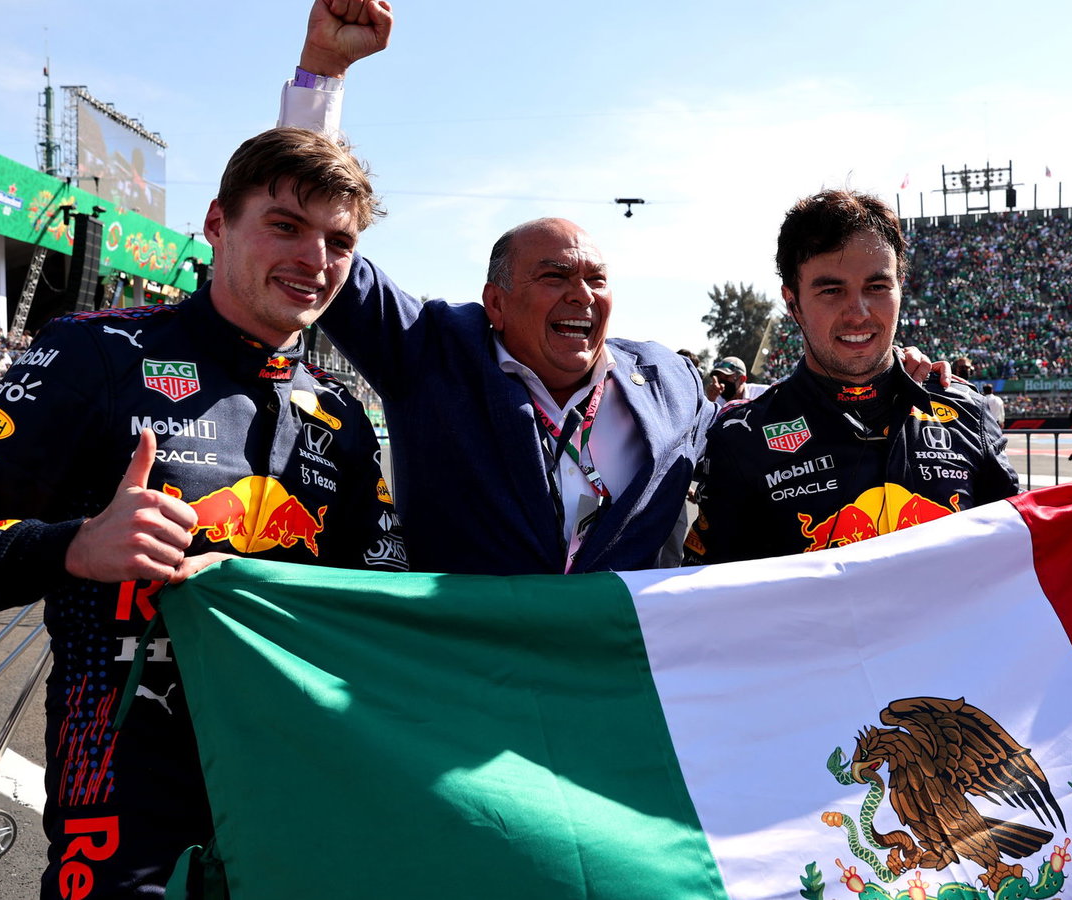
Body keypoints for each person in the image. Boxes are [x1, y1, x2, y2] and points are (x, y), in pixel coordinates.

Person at [0, 127, 406, 899]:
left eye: (339, 241)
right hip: (121, 802)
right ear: (217, 224)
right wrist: (73, 547)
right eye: (285, 226)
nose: (315, 260)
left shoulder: (342, 415)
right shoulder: (95, 354)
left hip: (290, 787)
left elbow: (391, 610)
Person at [284, 1, 945, 574]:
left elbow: (779, 416)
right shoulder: (437, 354)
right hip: (474, 692)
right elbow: (324, 251)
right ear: (497, 303)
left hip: (620, 695)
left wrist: (889, 379)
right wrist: (324, 71)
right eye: (555, 276)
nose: (582, 294)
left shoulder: (670, 381)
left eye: (597, 279)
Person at [683, 190, 1021, 564]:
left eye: (877, 287)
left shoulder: (967, 412)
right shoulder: (740, 440)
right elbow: (706, 602)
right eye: (832, 290)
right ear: (792, 302)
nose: (858, 313)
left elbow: (1021, 559)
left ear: (900, 287)